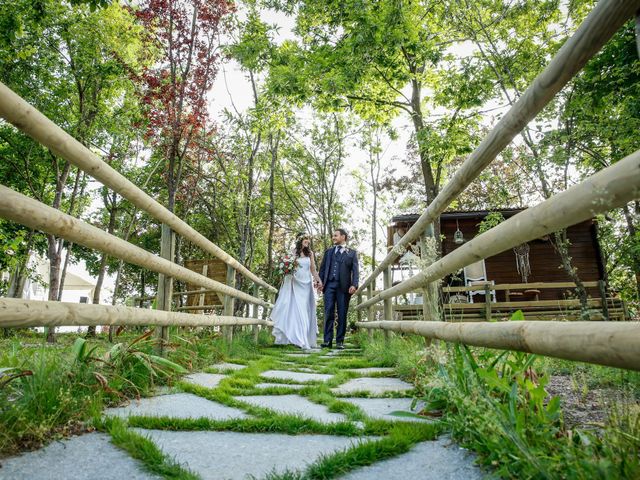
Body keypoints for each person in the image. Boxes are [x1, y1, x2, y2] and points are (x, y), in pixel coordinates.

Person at [270, 233, 321, 351]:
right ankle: (297, 339)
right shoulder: (293, 252)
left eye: (308, 239)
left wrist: (319, 281)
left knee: (305, 310)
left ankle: (303, 339)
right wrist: (286, 269)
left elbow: (313, 269)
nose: (307, 241)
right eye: (305, 239)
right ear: (300, 240)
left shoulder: (310, 254)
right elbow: (288, 266)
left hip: (306, 284)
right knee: (296, 310)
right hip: (295, 282)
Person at [318, 228, 359, 349]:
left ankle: (340, 341)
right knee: (328, 312)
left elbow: (355, 271)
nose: (333, 238)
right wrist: (320, 283)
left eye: (335, 236)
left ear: (343, 237)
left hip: (344, 288)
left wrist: (354, 285)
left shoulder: (352, 253)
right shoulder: (328, 252)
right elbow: (323, 269)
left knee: (342, 313)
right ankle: (327, 341)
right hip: (329, 286)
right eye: (333, 236)